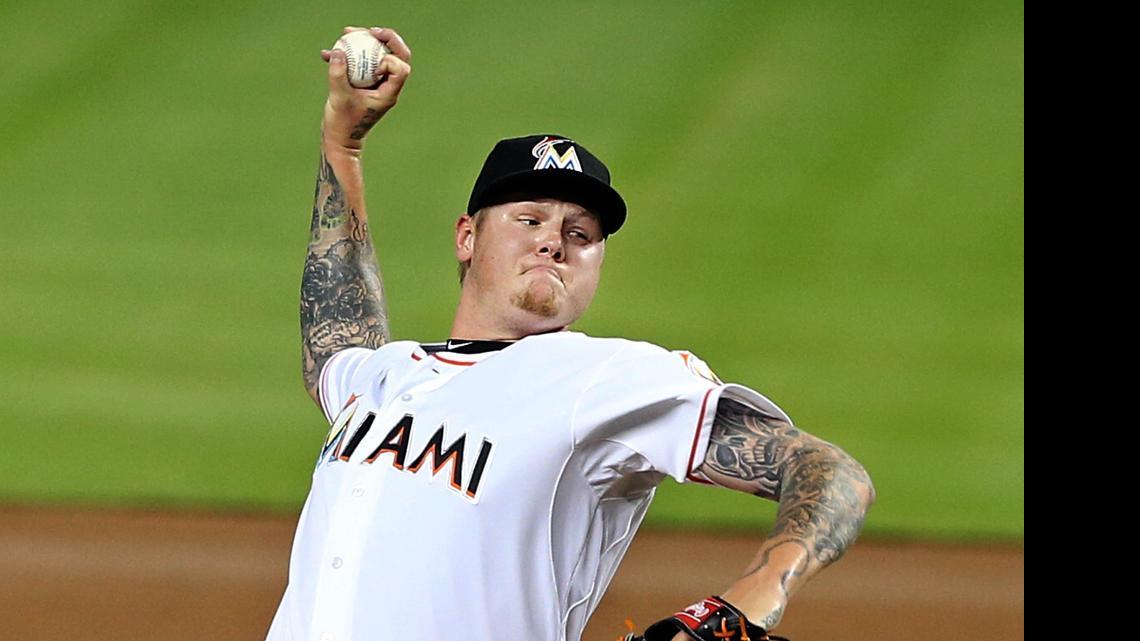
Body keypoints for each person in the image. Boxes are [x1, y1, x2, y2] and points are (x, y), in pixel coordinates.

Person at [268, 25, 876, 641]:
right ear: (467, 237)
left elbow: (834, 476)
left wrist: (747, 603)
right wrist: (342, 146)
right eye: (529, 218)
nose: (554, 241)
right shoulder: (383, 376)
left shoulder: (607, 379)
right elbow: (336, 336)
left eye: (580, 234)